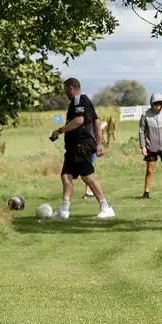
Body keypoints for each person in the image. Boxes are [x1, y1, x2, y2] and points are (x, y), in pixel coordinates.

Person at [48, 78, 115, 219]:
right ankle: (64, 210)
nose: (65, 92)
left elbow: (79, 121)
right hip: (73, 147)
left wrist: (59, 131)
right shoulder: (85, 101)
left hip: (81, 146)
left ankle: (106, 207)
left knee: (87, 176)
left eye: (65, 89)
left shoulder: (78, 100)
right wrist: (98, 143)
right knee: (66, 176)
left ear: (71, 88)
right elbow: (97, 122)